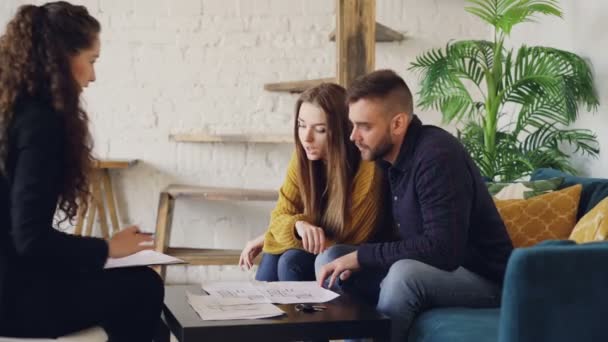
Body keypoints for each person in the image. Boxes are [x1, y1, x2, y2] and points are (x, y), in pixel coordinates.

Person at [0, 2, 164, 341]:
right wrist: (107, 249)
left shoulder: (11, 111)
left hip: (12, 282)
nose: (93, 76)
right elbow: (29, 239)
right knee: (144, 286)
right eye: (91, 61)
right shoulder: (40, 123)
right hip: (12, 299)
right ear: (61, 58)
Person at [316, 70, 514, 341]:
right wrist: (352, 255)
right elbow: (388, 235)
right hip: (437, 268)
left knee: (404, 274)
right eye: (353, 125)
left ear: (397, 124)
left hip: (484, 279)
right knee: (331, 258)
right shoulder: (389, 159)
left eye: (364, 126)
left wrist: (362, 257)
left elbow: (444, 249)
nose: (353, 137)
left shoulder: (437, 157)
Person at [239, 83, 389, 282]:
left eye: (320, 130)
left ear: (343, 130)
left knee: (289, 258)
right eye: (301, 125)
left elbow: (341, 238)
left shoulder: (368, 168)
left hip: (356, 254)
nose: (306, 138)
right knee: (276, 254)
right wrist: (297, 227)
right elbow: (280, 216)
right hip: (321, 249)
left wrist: (274, 235)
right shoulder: (303, 159)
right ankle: (260, 311)